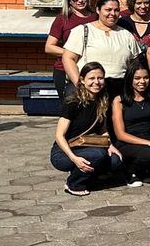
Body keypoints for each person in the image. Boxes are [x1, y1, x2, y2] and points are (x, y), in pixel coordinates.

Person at [51, 62, 122, 196]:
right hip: (64, 152)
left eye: (100, 78)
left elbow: (103, 130)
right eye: (91, 78)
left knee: (115, 160)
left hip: (87, 146)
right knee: (98, 155)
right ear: (83, 80)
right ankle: (74, 184)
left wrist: (110, 145)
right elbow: (59, 136)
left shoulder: (103, 101)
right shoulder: (72, 102)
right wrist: (74, 159)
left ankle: (87, 177)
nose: (96, 82)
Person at [62, 0, 143, 101]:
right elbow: (68, 59)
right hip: (90, 89)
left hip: (118, 91)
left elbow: (134, 64)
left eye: (116, 10)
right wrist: (80, 85)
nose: (112, 14)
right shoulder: (82, 31)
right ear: (98, 10)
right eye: (108, 10)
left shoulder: (126, 34)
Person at [47, 0, 97, 101]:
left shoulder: (96, 17)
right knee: (70, 106)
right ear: (69, 1)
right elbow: (49, 46)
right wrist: (72, 53)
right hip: (65, 70)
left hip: (91, 69)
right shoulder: (63, 19)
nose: (80, 0)